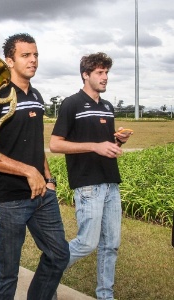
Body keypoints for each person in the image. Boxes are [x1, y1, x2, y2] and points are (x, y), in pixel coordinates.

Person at [0, 33, 69, 300]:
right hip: (8, 199)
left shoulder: (35, 95)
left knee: (59, 254)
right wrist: (28, 171)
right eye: (26, 55)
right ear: (9, 60)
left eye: (35, 54)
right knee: (8, 269)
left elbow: (36, 145)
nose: (33, 60)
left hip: (41, 194)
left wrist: (48, 179)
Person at [50, 52, 132, 300]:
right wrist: (95, 146)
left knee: (111, 245)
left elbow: (105, 145)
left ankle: (105, 295)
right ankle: (46, 277)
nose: (105, 77)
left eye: (106, 72)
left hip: (111, 183)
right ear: (86, 75)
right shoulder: (72, 103)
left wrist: (118, 141)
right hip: (88, 185)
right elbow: (55, 144)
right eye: (99, 72)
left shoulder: (107, 106)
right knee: (86, 243)